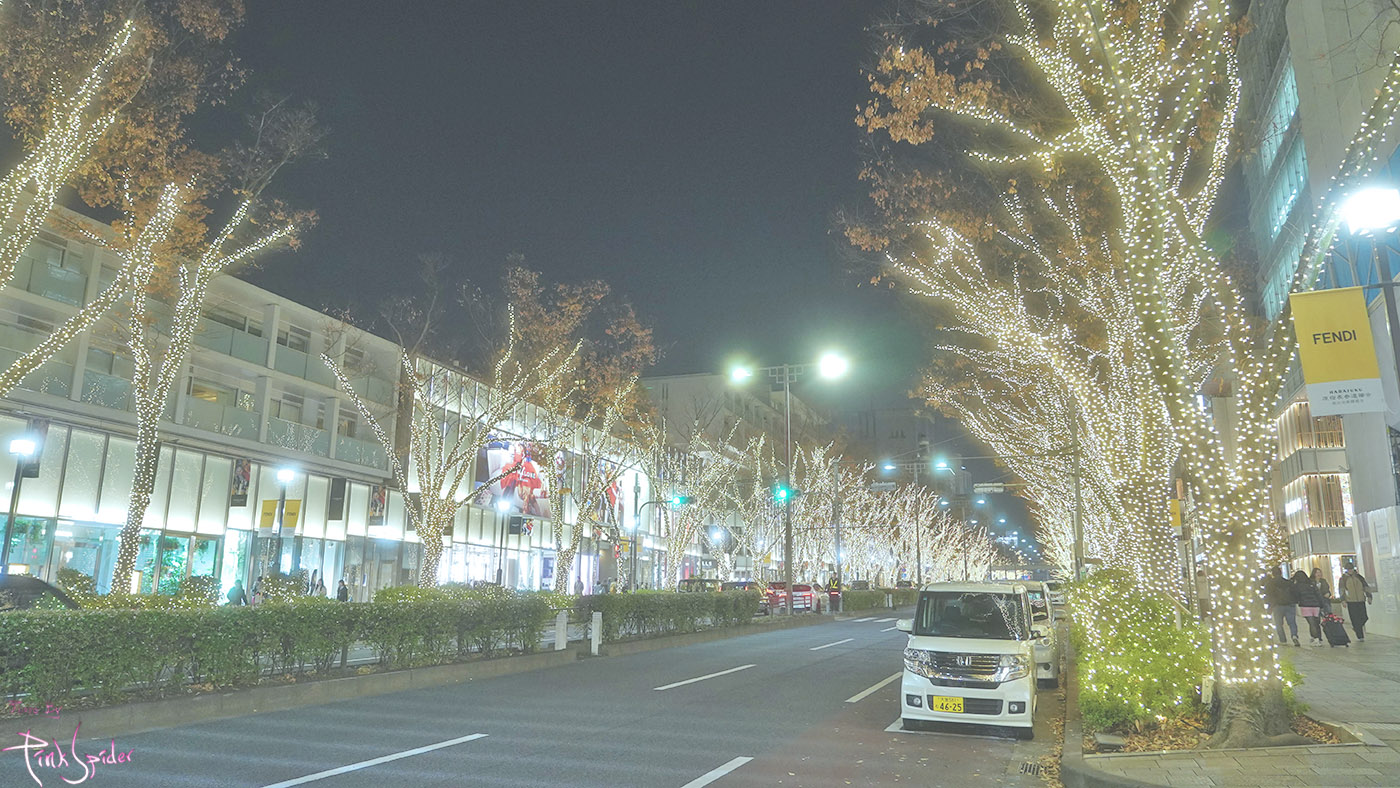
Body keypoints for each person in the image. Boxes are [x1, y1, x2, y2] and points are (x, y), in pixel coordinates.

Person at [1265, 567, 1300, 646]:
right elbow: (1295, 592)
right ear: (1281, 573)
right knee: (1292, 622)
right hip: (1289, 605)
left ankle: (1283, 640)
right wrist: (1294, 601)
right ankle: (1294, 635)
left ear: (1273, 573)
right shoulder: (1288, 582)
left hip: (1277, 605)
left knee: (1279, 624)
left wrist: (1270, 605)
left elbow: (1268, 595)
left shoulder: (1269, 583)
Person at [1293, 570, 1325, 646]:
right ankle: (1316, 638)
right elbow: (1318, 594)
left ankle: (1316, 639)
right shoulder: (1311, 583)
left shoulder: (1298, 586)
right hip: (1315, 605)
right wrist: (1321, 605)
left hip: (1305, 606)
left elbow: (1296, 596)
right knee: (1316, 623)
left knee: (1311, 623)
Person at [1341, 567, 1373, 642]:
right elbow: (1341, 590)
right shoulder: (1343, 579)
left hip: (1361, 600)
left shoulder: (1359, 577)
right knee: (1355, 619)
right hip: (1351, 601)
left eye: (1351, 569)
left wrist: (1369, 596)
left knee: (1364, 617)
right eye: (1348, 569)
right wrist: (1343, 600)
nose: (1350, 570)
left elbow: (1366, 587)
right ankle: (1360, 636)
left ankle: (1356, 628)